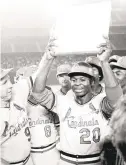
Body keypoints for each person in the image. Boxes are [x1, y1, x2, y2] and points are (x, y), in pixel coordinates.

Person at [28, 36, 122, 165]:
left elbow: (116, 98)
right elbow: (38, 93)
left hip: (94, 161)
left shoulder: (100, 102)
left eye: (83, 79)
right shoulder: (63, 101)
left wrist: (105, 62)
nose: (77, 83)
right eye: (74, 79)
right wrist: (48, 59)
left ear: (92, 81)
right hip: (66, 160)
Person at [0, 68, 33, 165]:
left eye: (9, 80)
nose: (10, 85)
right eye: (4, 82)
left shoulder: (16, 96)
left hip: (28, 159)